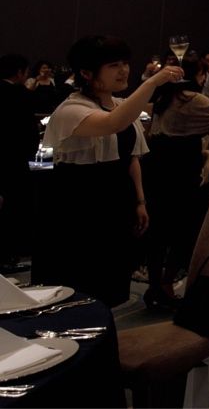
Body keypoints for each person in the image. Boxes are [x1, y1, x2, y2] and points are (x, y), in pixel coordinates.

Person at [42, 37, 183, 306]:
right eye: (113, 65)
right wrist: (152, 82)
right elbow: (112, 124)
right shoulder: (71, 108)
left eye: (125, 63)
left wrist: (140, 201)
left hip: (115, 201)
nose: (123, 70)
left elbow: (132, 158)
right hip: (78, 205)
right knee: (78, 284)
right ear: (86, 73)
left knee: (109, 284)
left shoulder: (120, 105)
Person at [142, 50, 209, 310]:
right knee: (183, 231)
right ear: (197, 75)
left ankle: (154, 286)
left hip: (157, 168)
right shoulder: (191, 98)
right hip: (182, 171)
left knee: (158, 233)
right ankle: (166, 284)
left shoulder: (165, 96)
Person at [0, 54, 38, 267]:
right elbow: (30, 133)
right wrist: (40, 163)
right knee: (16, 205)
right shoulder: (21, 94)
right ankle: (12, 252)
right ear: (20, 72)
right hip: (17, 160)